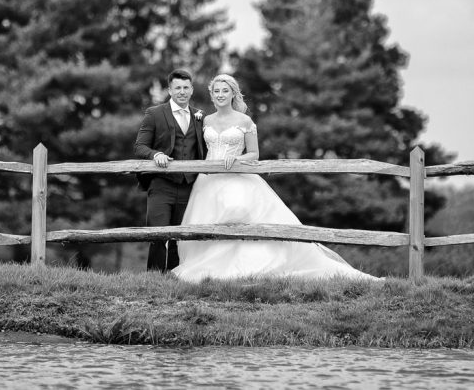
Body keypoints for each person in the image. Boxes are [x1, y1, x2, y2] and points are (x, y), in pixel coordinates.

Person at [172, 74, 380, 282]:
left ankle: (244, 268)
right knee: (207, 221)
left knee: (237, 212)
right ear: (211, 94)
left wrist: (237, 159)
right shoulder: (206, 120)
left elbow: (254, 154)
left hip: (237, 177)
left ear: (233, 94)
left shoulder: (244, 121)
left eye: (225, 91)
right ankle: (212, 270)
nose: (220, 95)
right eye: (216, 91)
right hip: (208, 181)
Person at [133, 68, 209, 272]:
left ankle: (176, 277)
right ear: (169, 90)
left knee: (180, 238)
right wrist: (155, 154)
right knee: (158, 235)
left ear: (192, 90)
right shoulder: (154, 113)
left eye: (186, 87)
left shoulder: (200, 116)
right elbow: (140, 146)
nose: (182, 92)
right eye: (177, 88)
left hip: (189, 186)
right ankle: (155, 277)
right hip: (161, 185)